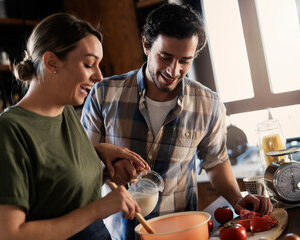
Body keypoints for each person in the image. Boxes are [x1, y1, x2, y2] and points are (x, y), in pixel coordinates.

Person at [81, 3, 274, 240]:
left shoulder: (208, 103)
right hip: (117, 233)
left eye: (185, 60)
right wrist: (107, 169)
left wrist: (237, 199)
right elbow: (82, 161)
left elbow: (215, 161)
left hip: (183, 232)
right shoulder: (103, 94)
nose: (173, 70)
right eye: (165, 57)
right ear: (145, 44)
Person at [0, 13, 150, 240]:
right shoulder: (10, 130)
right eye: (89, 64)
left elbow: (57, 195)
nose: (100, 76)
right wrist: (98, 209)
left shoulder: (67, 113)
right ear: (51, 62)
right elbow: (6, 235)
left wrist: (98, 164)